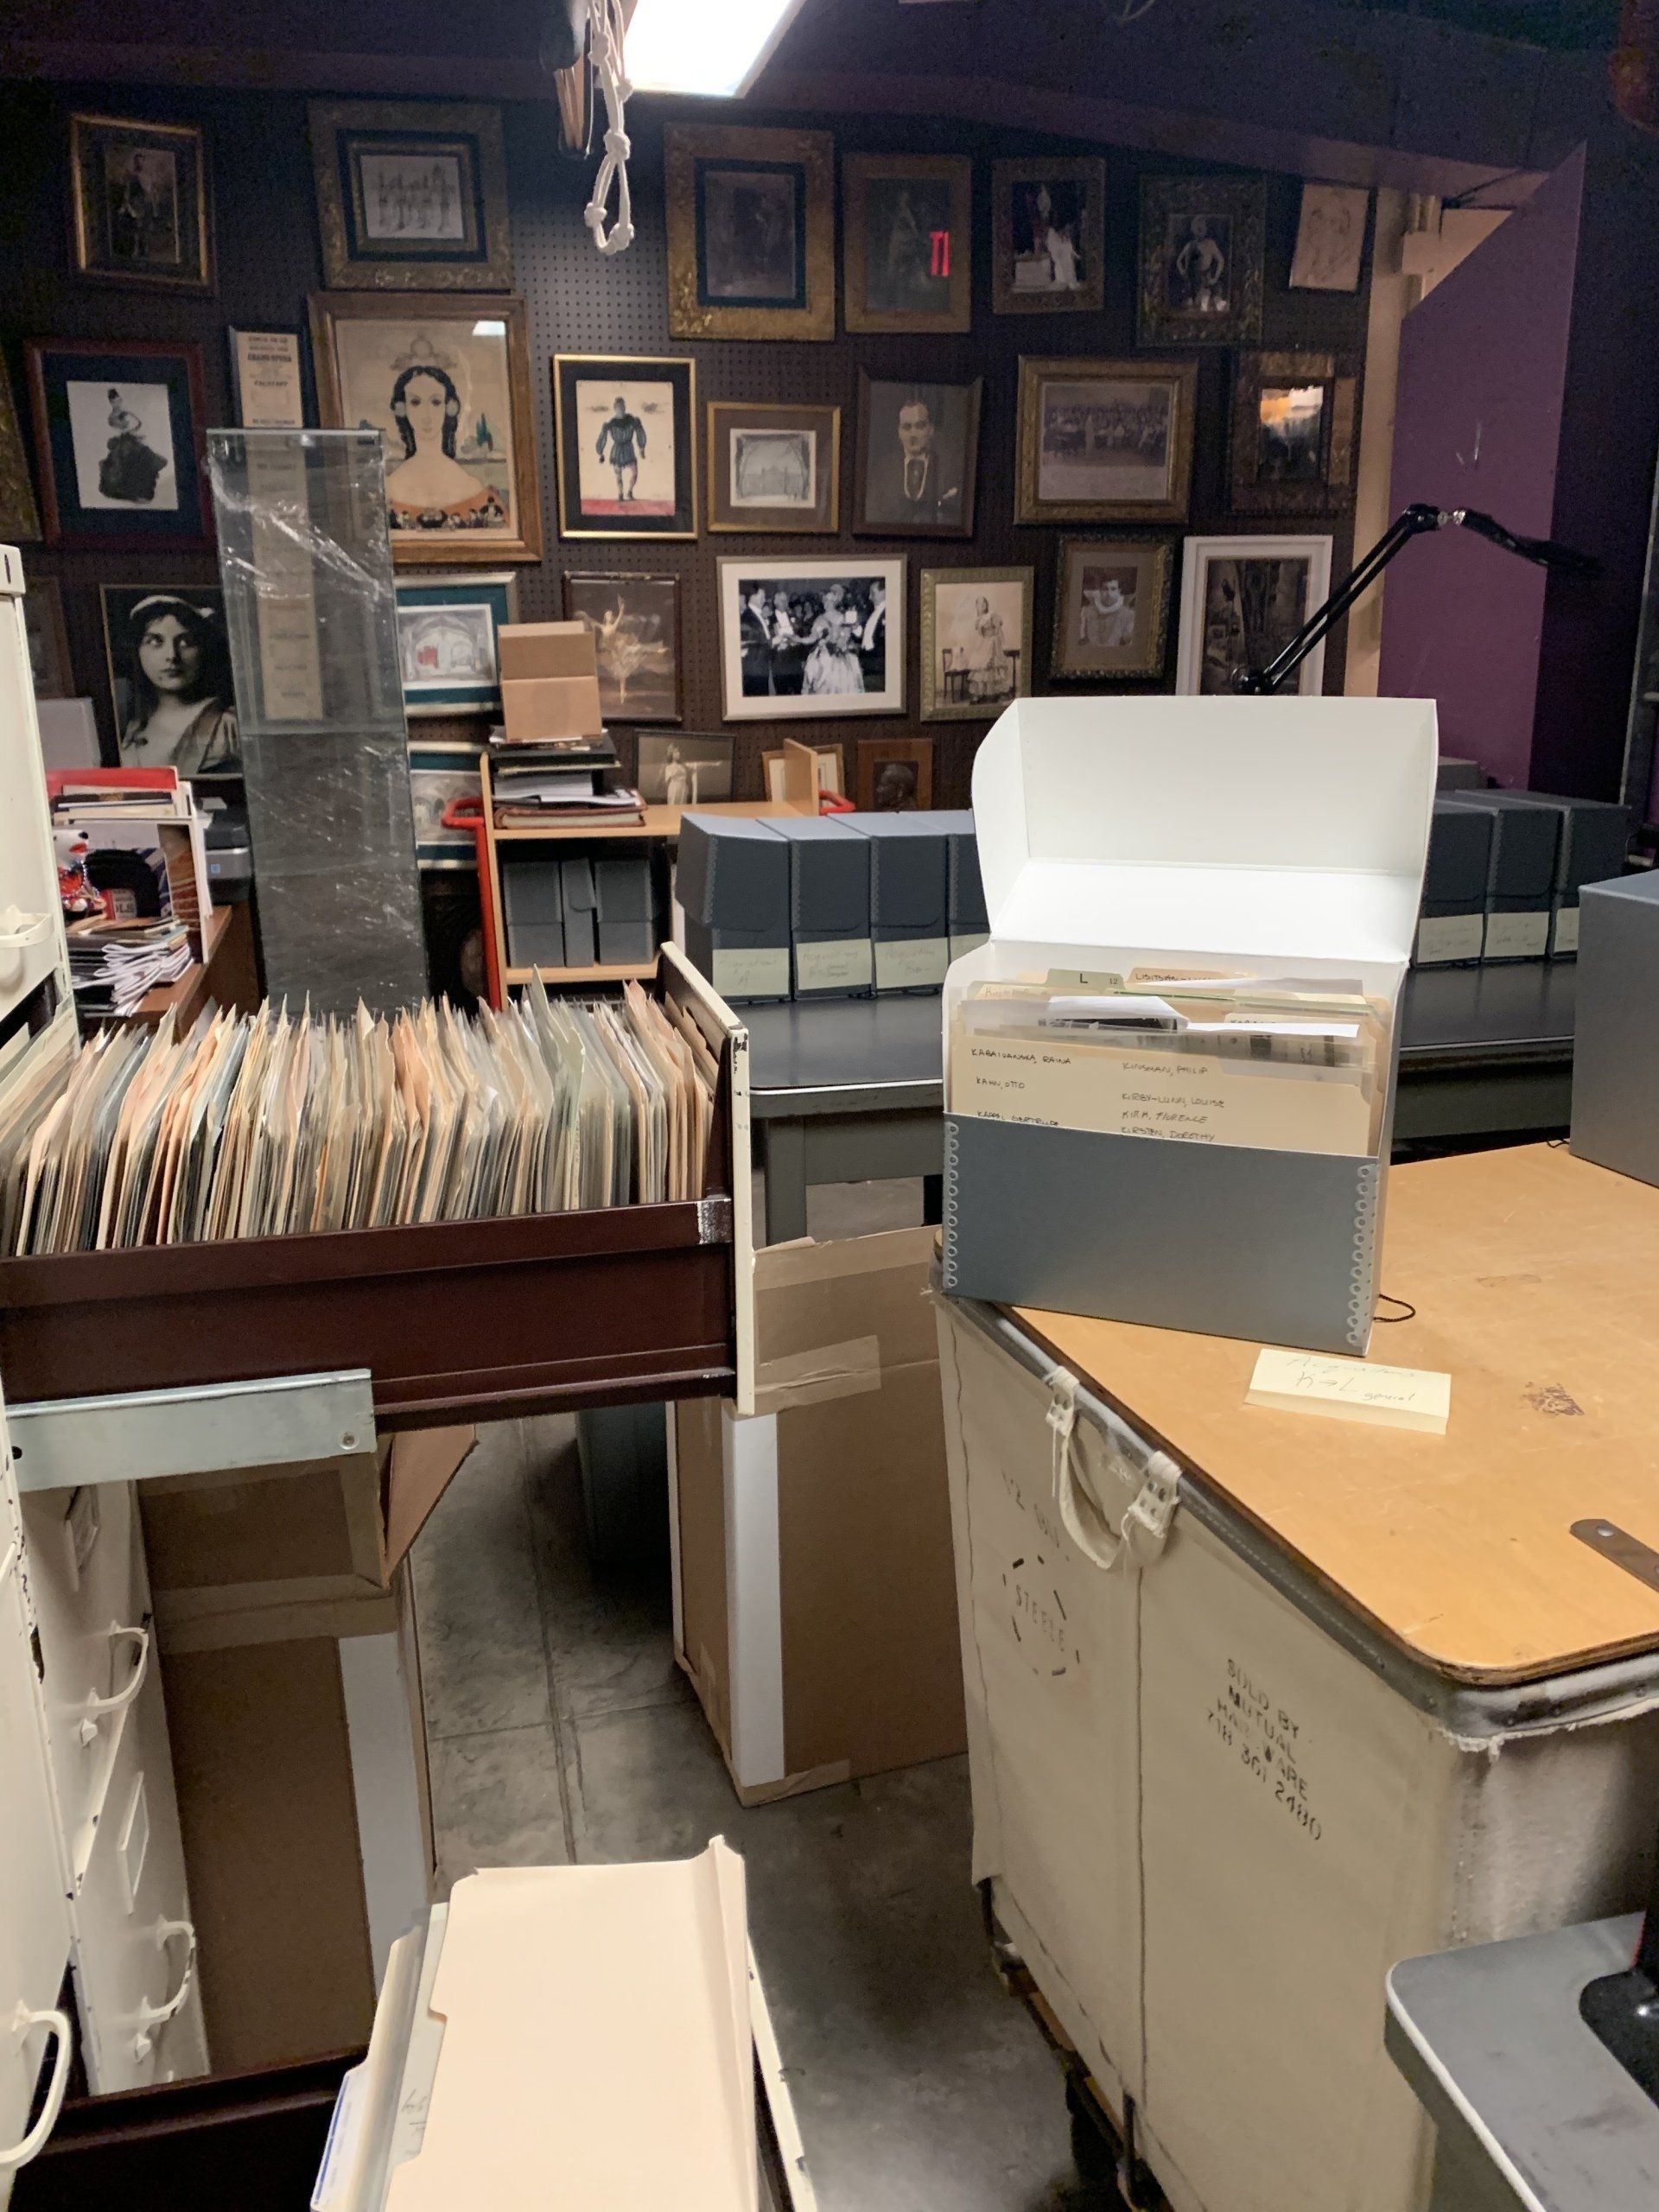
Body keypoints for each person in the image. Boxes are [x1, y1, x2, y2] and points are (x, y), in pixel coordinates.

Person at [118, 594, 239, 775]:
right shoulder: (133, 727)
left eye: (185, 643)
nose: (172, 656)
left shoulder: (228, 725)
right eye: (154, 642)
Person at [385, 362, 507, 532]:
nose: (426, 415)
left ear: (448, 407)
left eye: (435, 402)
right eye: (415, 402)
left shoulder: (473, 487)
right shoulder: (390, 485)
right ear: (402, 409)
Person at [866, 393, 963, 529]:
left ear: (931, 430)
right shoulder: (882, 471)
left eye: (920, 426)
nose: (913, 435)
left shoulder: (949, 467)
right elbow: (873, 516)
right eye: (906, 427)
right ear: (899, 432)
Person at [97, 389, 168, 505]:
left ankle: (143, 492)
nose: (117, 403)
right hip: (123, 443)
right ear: (111, 403)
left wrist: (135, 431)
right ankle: (132, 493)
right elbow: (122, 426)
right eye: (114, 402)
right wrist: (127, 428)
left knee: (143, 456)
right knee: (125, 461)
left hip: (131, 440)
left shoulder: (126, 412)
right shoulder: (112, 417)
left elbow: (138, 423)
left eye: (119, 400)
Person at [802, 585, 865, 696]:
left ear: (835, 602)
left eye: (830, 600)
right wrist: (798, 639)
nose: (827, 603)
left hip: (839, 656)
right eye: (825, 600)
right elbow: (813, 637)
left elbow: (854, 633)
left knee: (842, 681)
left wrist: (853, 630)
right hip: (823, 654)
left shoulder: (842, 617)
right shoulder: (819, 619)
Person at [957, 594, 1011, 703]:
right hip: (982, 644)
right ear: (976, 606)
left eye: (984, 603)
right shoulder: (978, 620)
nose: (982, 605)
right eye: (979, 603)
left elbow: (999, 631)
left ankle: (992, 693)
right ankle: (980, 693)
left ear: (987, 605)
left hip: (993, 644)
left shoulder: (992, 616)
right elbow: (979, 635)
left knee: (992, 668)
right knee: (980, 668)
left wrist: (1002, 644)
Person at [594, 395, 646, 504]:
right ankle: (620, 494)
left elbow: (640, 432)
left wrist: (642, 448)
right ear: (615, 408)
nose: (621, 409)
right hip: (617, 450)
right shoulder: (611, 423)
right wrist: (600, 452)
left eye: (622, 407)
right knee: (618, 475)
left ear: (625, 407)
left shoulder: (632, 419)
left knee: (635, 472)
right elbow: (603, 437)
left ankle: (630, 492)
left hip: (629, 449)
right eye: (618, 407)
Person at [1173, 216, 1228, 316]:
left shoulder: (1210, 244)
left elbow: (1221, 260)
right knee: (1189, 303)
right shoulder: (1190, 245)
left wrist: (1215, 277)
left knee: (1212, 297)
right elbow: (1179, 260)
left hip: (1206, 278)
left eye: (1202, 227)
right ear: (1193, 230)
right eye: (1197, 228)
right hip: (1192, 279)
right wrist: (1182, 271)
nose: (1200, 230)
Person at [1080, 576, 1135, 652]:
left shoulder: (1128, 614)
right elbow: (1081, 641)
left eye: (1113, 589)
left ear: (1119, 591)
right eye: (1105, 589)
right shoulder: (1087, 611)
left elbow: (1128, 644)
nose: (1109, 593)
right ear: (1099, 591)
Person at [769, 589, 806, 696]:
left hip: (795, 662)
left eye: (786, 600)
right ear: (775, 602)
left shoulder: (793, 617)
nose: (785, 603)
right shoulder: (770, 620)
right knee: (782, 694)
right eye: (782, 600)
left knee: (799, 692)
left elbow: (800, 636)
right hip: (780, 663)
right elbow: (770, 639)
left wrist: (803, 658)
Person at [740, 583, 773, 694]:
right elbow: (749, 643)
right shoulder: (747, 617)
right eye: (762, 597)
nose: (764, 600)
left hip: (761, 667)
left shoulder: (757, 614)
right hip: (753, 669)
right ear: (753, 597)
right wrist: (772, 642)